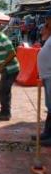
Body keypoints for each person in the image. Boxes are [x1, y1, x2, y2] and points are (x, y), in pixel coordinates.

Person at [0, 22, 21, 121]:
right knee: (5, 91)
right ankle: (5, 112)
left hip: (10, 69)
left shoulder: (3, 39)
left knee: (2, 91)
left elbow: (12, 53)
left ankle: (5, 113)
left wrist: (2, 64)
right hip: (5, 68)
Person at [37, 10, 51, 146]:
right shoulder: (49, 36)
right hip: (47, 76)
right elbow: (43, 37)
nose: (46, 22)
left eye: (48, 20)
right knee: (50, 106)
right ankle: (47, 133)